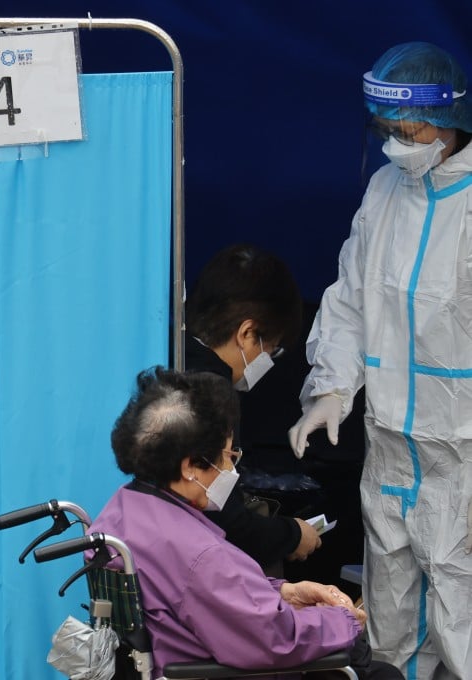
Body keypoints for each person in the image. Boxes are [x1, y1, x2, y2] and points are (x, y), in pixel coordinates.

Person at [287, 41, 472, 680]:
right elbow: (350, 300)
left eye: (410, 129)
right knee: (390, 607)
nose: (398, 142)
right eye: (387, 128)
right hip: (391, 444)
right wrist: (332, 388)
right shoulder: (385, 189)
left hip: (464, 450)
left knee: (462, 605)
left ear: (451, 117)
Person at [91, 367, 401, 679]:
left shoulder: (121, 510)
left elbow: (212, 598)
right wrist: (344, 620)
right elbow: (275, 639)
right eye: (227, 456)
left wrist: (284, 592)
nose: (231, 469)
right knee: (381, 674)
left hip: (171, 658)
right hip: (213, 668)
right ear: (190, 468)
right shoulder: (199, 554)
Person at [185, 243, 320, 570]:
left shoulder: (170, 359)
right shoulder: (213, 394)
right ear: (247, 333)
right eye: (272, 349)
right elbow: (224, 519)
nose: (268, 360)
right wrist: (293, 534)